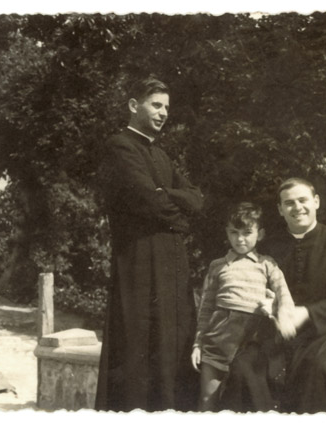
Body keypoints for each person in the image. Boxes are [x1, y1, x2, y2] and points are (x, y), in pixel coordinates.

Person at [220, 177, 326, 414]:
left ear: (316, 202)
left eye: (303, 200)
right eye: (289, 203)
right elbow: (251, 285)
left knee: (318, 368)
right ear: (280, 209)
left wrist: (306, 313)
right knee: (243, 367)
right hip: (278, 332)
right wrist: (268, 304)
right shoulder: (270, 247)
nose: (297, 207)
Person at [95, 76, 204, 412]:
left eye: (166, 107)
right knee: (138, 347)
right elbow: (148, 201)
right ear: (133, 105)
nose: (163, 113)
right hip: (139, 265)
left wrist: (166, 194)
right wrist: (176, 211)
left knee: (172, 343)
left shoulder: (161, 155)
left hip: (172, 266)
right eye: (156, 105)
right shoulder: (120, 147)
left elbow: (197, 199)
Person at [191, 202, 296, 411]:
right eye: (234, 232)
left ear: (260, 234)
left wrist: (285, 318)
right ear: (227, 233)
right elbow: (206, 307)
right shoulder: (217, 265)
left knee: (248, 394)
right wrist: (197, 344)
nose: (240, 239)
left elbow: (283, 293)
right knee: (207, 398)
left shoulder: (267, 264)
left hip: (253, 337)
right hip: (219, 336)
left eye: (247, 233)